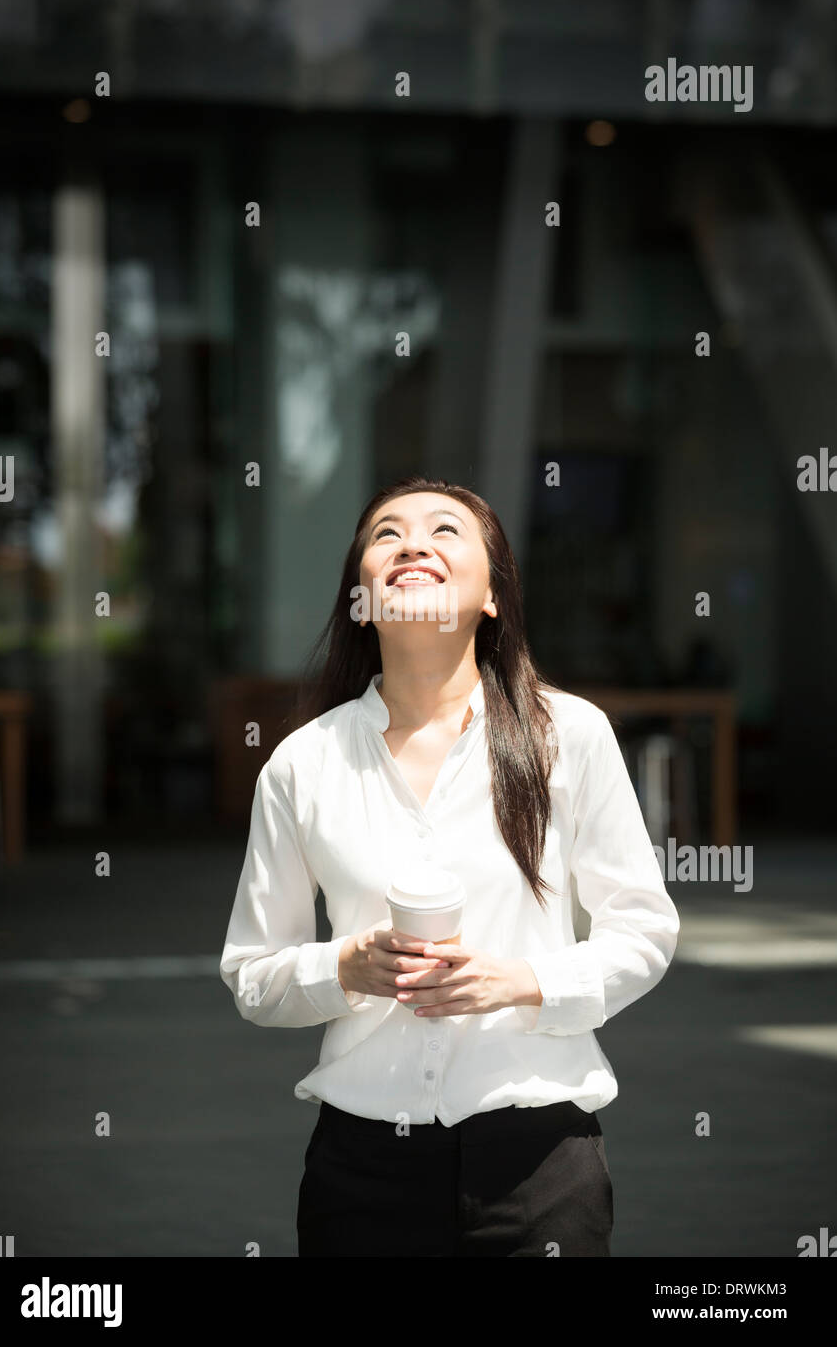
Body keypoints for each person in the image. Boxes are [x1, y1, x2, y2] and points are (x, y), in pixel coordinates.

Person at [219, 476, 680, 1257]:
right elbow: (252, 973)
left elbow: (644, 931)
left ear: (492, 595)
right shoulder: (303, 765)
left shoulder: (569, 735)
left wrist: (525, 983)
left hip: (540, 1166)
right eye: (386, 534)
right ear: (360, 595)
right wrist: (347, 967)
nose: (412, 545)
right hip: (360, 1172)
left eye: (444, 530)